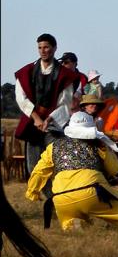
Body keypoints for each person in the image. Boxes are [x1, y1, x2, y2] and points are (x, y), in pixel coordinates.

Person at [25, 112, 118, 232]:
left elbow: (38, 171)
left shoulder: (54, 146)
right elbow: (115, 169)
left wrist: (33, 192)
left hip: (61, 198)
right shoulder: (98, 145)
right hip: (92, 192)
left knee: (67, 220)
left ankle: (73, 224)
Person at [14, 34, 79, 228]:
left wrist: (48, 119)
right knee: (35, 169)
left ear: (54, 48)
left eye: (47, 47)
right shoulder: (27, 72)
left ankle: (66, 204)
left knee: (57, 166)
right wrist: (36, 119)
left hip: (53, 125)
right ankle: (54, 200)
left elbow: (66, 102)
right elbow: (21, 98)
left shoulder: (64, 75)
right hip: (33, 125)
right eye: (41, 47)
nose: (44, 50)